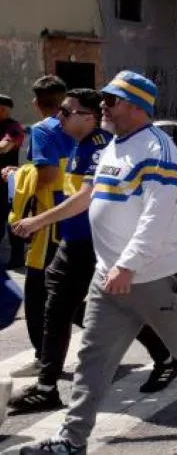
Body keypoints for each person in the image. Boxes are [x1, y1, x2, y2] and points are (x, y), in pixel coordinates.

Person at [20, 72, 177, 455]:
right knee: (92, 358)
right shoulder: (112, 147)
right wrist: (42, 222)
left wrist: (128, 265)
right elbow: (90, 198)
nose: (103, 106)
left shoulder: (158, 149)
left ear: (136, 105)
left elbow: (158, 214)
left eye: (111, 100)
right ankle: (72, 439)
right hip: (109, 277)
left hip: (152, 275)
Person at [7, 89, 177, 415]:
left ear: (87, 116)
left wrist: (37, 221)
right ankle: (48, 384)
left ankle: (47, 387)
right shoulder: (82, 145)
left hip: (88, 244)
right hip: (75, 240)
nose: (59, 118)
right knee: (66, 306)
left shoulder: (97, 149)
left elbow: (84, 197)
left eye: (66, 112)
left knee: (65, 305)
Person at [5, 76, 74, 379]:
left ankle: (43, 357)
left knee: (37, 294)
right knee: (71, 289)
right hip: (79, 218)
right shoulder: (85, 128)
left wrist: (17, 175)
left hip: (50, 223)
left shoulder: (44, 130)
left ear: (36, 103)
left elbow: (44, 176)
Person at [0, 94, 25, 256]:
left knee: (11, 219)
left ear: (2, 110)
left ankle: (16, 257)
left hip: (6, 183)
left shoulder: (14, 127)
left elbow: (4, 147)